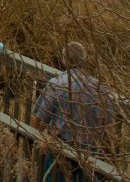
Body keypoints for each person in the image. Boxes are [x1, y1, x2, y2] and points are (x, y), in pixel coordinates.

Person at [32, 42, 118, 182]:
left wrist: (45, 137)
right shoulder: (100, 89)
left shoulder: (57, 84)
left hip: (60, 151)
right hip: (89, 154)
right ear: (84, 60)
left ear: (64, 60)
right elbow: (110, 127)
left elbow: (38, 120)